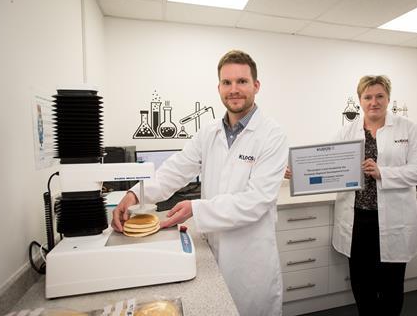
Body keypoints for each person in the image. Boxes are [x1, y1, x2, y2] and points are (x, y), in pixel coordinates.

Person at [112, 50, 288, 316]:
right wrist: (135, 195)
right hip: (212, 249)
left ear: (256, 86)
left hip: (250, 261)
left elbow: (257, 201)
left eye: (242, 81)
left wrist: (196, 208)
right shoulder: (209, 132)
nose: (234, 89)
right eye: (227, 83)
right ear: (219, 88)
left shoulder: (272, 135)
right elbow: (176, 169)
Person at [332, 75, 417, 316]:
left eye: (379, 96)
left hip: (394, 219)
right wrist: (302, 174)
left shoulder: (409, 129)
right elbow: (332, 167)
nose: (373, 102)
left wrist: (382, 173)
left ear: (388, 98)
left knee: (391, 284)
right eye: (367, 97)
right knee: (361, 283)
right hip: (357, 219)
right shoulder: (347, 132)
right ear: (360, 100)